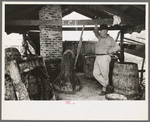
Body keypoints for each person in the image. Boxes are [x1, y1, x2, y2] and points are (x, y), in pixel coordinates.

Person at [93, 24, 120, 95]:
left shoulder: (110, 39)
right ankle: (108, 86)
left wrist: (110, 51)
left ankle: (104, 90)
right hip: (98, 57)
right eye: (100, 31)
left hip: (104, 57)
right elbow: (96, 32)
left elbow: (117, 47)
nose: (100, 32)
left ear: (105, 31)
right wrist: (95, 25)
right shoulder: (100, 37)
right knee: (95, 74)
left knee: (105, 75)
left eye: (101, 31)